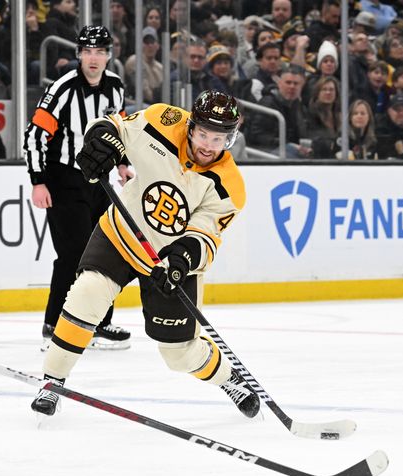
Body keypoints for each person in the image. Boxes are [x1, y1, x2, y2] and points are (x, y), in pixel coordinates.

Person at [30, 90, 260, 420]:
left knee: (178, 355)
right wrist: (100, 140)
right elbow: (114, 126)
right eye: (203, 133)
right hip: (121, 234)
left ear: (231, 138)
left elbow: (206, 235)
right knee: (87, 293)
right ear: (191, 126)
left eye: (219, 138)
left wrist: (180, 262)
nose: (208, 145)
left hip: (167, 264)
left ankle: (229, 379)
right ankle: (53, 382)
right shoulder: (162, 121)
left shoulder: (229, 186)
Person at [23, 25, 131, 351]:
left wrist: (123, 163)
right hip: (63, 179)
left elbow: (120, 129)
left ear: (109, 55)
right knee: (73, 254)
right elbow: (34, 136)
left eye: (100, 51)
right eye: (88, 51)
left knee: (107, 251)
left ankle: (99, 322)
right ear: (78, 54)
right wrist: (38, 181)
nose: (94, 57)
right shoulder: (63, 89)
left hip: (99, 181)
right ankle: (54, 324)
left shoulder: (115, 87)